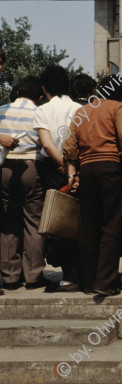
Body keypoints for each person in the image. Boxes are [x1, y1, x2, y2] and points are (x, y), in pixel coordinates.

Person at [63, 75, 122, 296]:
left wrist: (72, 173)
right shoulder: (118, 107)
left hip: (86, 170)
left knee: (88, 226)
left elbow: (68, 146)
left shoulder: (81, 111)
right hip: (110, 168)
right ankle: (105, 283)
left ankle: (88, 282)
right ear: (120, 93)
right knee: (111, 225)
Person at [33, 65, 83, 292]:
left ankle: (67, 273)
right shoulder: (78, 108)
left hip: (54, 171)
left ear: (44, 88)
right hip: (77, 170)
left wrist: (61, 165)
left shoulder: (42, 110)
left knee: (58, 222)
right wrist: (72, 167)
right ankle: (78, 272)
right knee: (77, 220)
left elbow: (46, 143)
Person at [0, 76, 44, 291]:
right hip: (31, 167)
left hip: (6, 168)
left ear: (17, 92)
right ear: (40, 95)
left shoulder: (2, 109)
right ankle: (33, 275)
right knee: (33, 222)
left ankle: (10, 276)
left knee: (8, 222)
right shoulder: (39, 112)